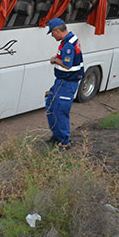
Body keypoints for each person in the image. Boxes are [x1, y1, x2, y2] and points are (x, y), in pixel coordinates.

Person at [44, 17, 84, 148]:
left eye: (52, 33)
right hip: (60, 82)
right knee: (50, 104)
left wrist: (54, 60)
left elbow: (67, 65)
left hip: (67, 83)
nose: (52, 36)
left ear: (57, 30)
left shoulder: (68, 45)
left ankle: (64, 142)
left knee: (60, 112)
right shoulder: (68, 40)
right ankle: (56, 136)